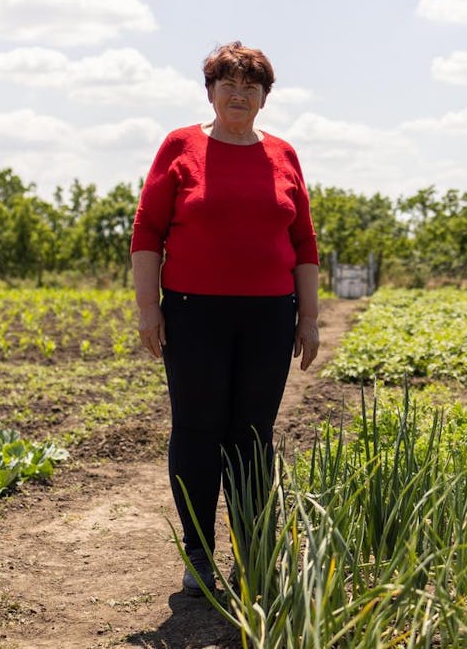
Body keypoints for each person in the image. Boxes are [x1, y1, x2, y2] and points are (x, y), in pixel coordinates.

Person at [130, 41, 320, 597]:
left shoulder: (284, 154)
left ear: (265, 97)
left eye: (251, 85)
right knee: (197, 428)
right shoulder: (180, 145)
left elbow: (303, 240)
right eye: (228, 83)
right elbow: (148, 231)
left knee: (252, 434)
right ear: (210, 91)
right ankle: (197, 551)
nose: (239, 93)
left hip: (269, 315)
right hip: (194, 313)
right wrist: (148, 307)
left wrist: (309, 318)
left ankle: (253, 545)